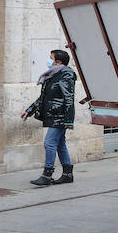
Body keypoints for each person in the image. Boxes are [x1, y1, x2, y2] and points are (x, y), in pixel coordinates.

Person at [21, 49, 76, 186]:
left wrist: (69, 120)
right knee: (60, 144)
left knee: (49, 143)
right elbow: (43, 97)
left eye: (50, 58)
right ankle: (67, 174)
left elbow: (69, 98)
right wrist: (29, 110)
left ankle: (47, 175)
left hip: (60, 115)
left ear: (59, 62)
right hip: (53, 114)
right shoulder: (53, 74)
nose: (48, 60)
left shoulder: (66, 75)